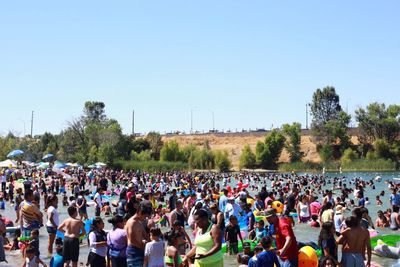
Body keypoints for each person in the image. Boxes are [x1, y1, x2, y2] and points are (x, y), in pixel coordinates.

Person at [125, 201, 153, 267]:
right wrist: (143, 247)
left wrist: (153, 244)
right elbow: (132, 241)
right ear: (140, 213)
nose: (145, 218)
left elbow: (145, 235)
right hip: (133, 252)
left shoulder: (139, 222)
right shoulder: (132, 223)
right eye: (145, 216)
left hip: (140, 249)